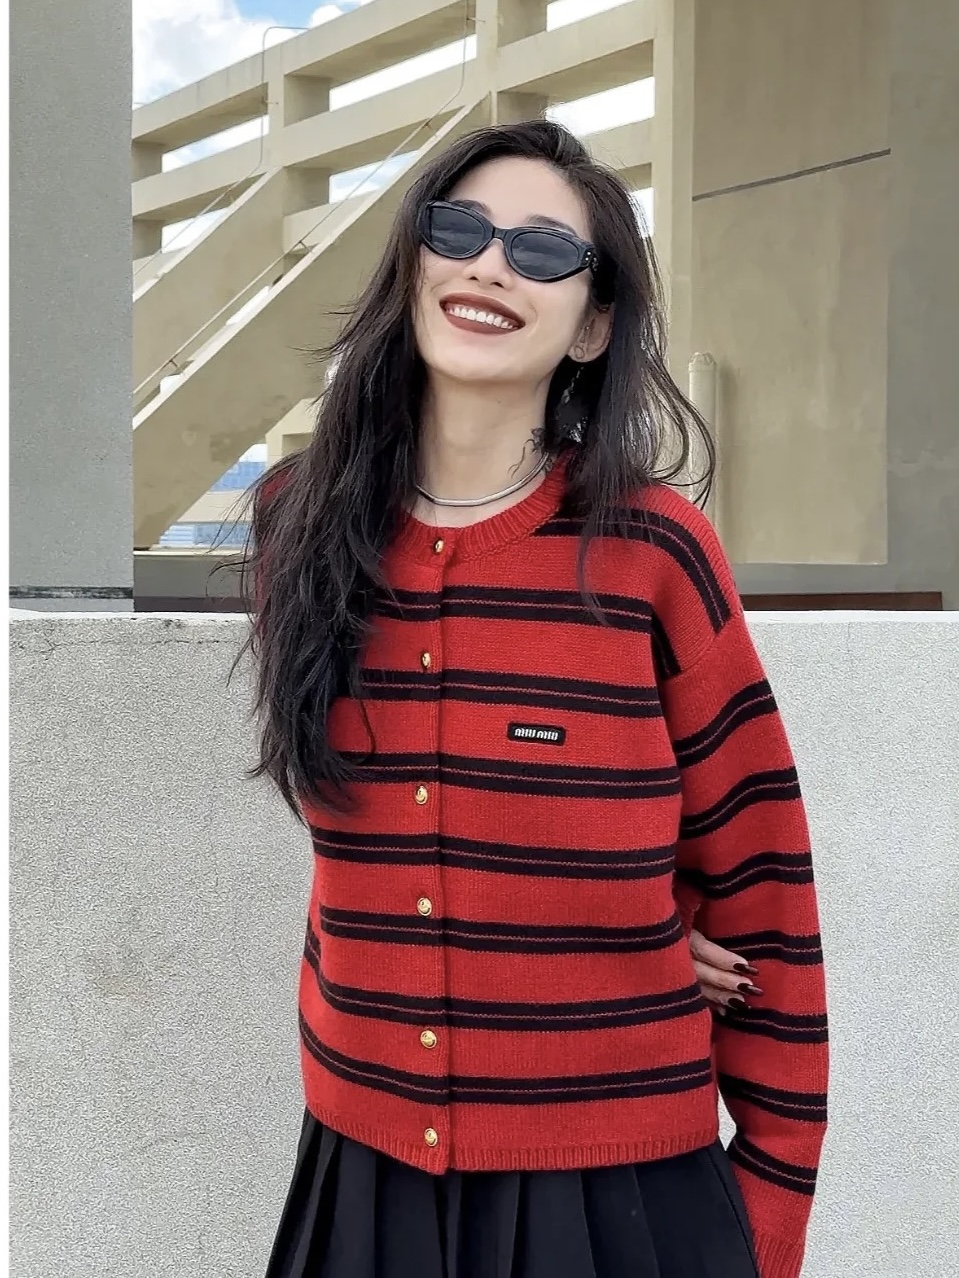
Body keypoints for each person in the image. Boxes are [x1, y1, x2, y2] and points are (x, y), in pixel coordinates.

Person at [241, 118, 828, 1278]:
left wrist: (767, 1209)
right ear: (413, 259)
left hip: (614, 1190)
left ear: (592, 324)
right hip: (362, 1169)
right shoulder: (297, 525)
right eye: (457, 229)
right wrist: (597, 913)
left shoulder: (651, 552)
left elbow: (763, 885)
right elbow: (374, 827)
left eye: (542, 250)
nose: (489, 266)